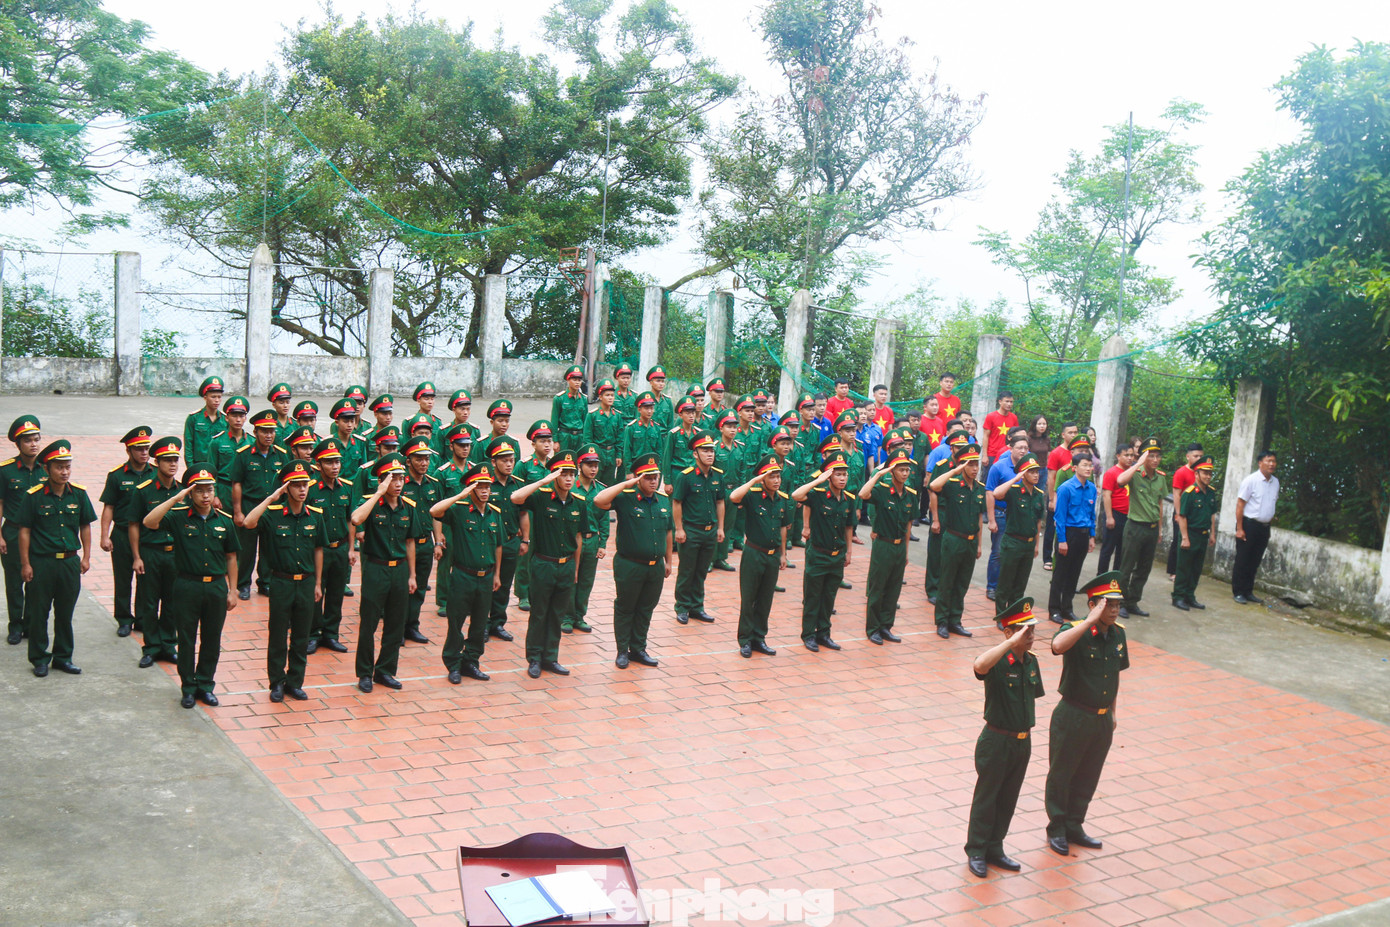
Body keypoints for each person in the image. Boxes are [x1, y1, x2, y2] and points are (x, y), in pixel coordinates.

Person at [140, 465, 239, 708]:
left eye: (209, 490)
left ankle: (205, 684)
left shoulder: (224, 522)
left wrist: (233, 589)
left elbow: (231, 558)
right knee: (186, 639)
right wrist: (176, 498)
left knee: (211, 639)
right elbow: (149, 521)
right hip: (187, 586)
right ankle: (188, 686)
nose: (206, 495)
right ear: (191, 493)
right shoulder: (178, 517)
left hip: (215, 587)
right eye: (199, 491)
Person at [1046, 571, 1129, 857]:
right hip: (1074, 715)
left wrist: (1114, 713)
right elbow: (1057, 646)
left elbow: (1114, 676)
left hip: (1101, 718)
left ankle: (1074, 825)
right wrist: (1090, 621)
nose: (1115, 611)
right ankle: (1056, 828)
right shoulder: (1076, 630)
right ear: (1093, 605)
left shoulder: (1118, 635)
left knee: (1088, 775)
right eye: (1109, 605)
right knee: (1062, 774)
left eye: (1118, 605)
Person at [965, 596, 1043, 878]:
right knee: (987, 797)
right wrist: (1010, 644)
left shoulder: (1031, 662)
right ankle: (976, 850)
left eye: (1032, 630)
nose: (1031, 636)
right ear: (1009, 632)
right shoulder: (998, 660)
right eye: (1025, 630)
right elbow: (979, 666)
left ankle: (995, 848)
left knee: (1008, 797)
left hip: (1022, 741)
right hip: (996, 740)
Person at [243, 460, 324, 702]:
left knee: (301, 636)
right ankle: (276, 682)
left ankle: (295, 681)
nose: (302, 490)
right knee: (278, 635)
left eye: (305, 485)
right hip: (281, 583)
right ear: (286, 488)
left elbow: (319, 550)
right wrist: (272, 497)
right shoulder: (273, 515)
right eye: (296, 485)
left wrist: (319, 583)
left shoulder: (315, 516)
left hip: (307, 582)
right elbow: (248, 522)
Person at [14, 439, 95, 677]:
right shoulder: (34, 496)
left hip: (69, 562)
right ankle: (39, 658)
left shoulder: (78, 494)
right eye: (59, 467)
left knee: (65, 613)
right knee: (39, 612)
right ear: (47, 468)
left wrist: (86, 557)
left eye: (67, 466)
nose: (64, 471)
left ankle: (63, 657)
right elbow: (24, 530)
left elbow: (85, 526)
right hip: (42, 563)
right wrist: (26, 563)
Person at [349, 453, 428, 693]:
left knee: (395, 624)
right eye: (392, 479)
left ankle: (385, 671)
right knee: (369, 624)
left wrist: (412, 575)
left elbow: (411, 542)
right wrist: (378, 493)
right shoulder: (370, 504)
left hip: (400, 570)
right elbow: (355, 518)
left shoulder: (408, 507)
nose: (398, 483)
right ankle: (364, 673)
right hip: (376, 569)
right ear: (382, 480)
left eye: (400, 479)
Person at [594, 453, 673, 669]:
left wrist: (669, 561)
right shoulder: (626, 497)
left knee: (646, 608)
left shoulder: (663, 501)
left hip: (654, 566)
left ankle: (638, 648)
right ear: (638, 479)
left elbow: (668, 532)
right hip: (629, 564)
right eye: (648, 477)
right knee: (625, 607)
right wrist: (626, 483)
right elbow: (599, 500)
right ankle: (622, 650)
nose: (653, 481)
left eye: (656, 477)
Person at [511, 450, 584, 678]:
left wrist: (576, 570)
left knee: (557, 614)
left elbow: (579, 538)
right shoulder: (542, 497)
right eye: (564, 474)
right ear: (555, 476)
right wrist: (543, 480)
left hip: (566, 565)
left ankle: (550, 657)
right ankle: (534, 658)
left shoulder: (578, 503)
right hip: (544, 564)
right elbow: (516, 498)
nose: (569, 479)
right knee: (539, 613)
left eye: (572, 474)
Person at [430, 462, 503, 683]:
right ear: (471, 489)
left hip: (486, 576)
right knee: (456, 623)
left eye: (487, 487)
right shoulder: (459, 511)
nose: (484, 491)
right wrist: (460, 495)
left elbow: (498, 545)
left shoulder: (494, 513)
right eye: (479, 487)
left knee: (480, 624)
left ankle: (471, 662)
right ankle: (453, 663)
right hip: (463, 576)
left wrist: (497, 574)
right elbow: (435, 511)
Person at [128, 436, 187, 669]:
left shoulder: (183, 491)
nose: (172, 465)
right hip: (151, 552)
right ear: (157, 462)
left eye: (175, 460)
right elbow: (133, 524)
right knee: (149, 603)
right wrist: (136, 556)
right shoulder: (143, 491)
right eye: (167, 460)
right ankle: (151, 647)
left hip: (174, 554)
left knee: (172, 602)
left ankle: (168, 645)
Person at [728, 454, 791, 657]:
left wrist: (783, 554)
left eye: (778, 477)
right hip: (754, 553)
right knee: (749, 599)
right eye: (771, 477)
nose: (776, 480)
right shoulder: (753, 495)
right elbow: (733, 497)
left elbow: (783, 528)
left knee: (765, 599)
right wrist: (754, 480)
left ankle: (759, 638)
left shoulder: (783, 499)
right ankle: (745, 640)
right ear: (763, 478)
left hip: (773, 556)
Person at [793, 450, 854, 652]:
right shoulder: (818, 496)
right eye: (837, 474)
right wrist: (818, 480)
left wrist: (849, 552)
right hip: (818, 555)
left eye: (844, 474)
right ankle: (809, 634)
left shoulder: (849, 498)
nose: (842, 478)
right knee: (813, 597)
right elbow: (796, 495)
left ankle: (824, 634)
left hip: (837, 556)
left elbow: (848, 527)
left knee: (829, 598)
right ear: (829, 476)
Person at [229, 410, 290, 599]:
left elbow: (287, 483)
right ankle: (243, 584)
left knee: (269, 547)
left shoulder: (281, 455)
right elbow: (236, 483)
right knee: (246, 549)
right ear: (255, 432)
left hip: (272, 510)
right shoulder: (244, 455)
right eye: (264, 431)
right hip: (250, 506)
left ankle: (265, 582)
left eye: (272, 431)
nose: (269, 435)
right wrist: (238, 512)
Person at [99, 426, 152, 637]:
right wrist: (105, 535)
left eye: (147, 448)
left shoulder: (156, 472)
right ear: (129, 451)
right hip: (121, 534)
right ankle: (123, 619)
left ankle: (141, 619)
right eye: (139, 449)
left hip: (147, 535)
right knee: (122, 579)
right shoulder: (116, 476)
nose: (144, 453)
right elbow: (109, 507)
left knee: (146, 580)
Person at [859, 448, 915, 644]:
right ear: (892, 471)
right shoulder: (882, 490)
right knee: (878, 588)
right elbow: (863, 494)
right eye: (901, 470)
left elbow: (908, 525)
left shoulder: (910, 494)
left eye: (907, 470)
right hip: (883, 544)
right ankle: (873, 628)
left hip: (900, 547)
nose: (905, 473)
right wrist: (879, 474)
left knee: (893, 589)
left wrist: (906, 551)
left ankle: (886, 626)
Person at [929, 441, 984, 639]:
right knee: (947, 581)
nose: (975, 468)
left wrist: (979, 544)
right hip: (953, 539)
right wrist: (955, 471)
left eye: (976, 464)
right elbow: (933, 486)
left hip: (970, 541)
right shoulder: (952, 485)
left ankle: (955, 620)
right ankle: (942, 621)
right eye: (970, 464)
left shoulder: (979, 489)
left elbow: (979, 517)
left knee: (962, 583)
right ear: (962, 465)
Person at [306, 438, 355, 655]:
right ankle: (313, 634)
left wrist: (351, 549)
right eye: (329, 462)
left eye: (337, 462)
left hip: (341, 548)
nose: (335, 467)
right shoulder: (310, 490)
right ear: (318, 465)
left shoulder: (347, 488)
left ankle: (331, 634)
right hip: (319, 550)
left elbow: (349, 521)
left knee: (336, 593)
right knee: (316, 593)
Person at [672, 431, 725, 625]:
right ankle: (683, 607)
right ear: (695, 454)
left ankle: (697, 606)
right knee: (687, 570)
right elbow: (676, 503)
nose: (710, 454)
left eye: (712, 450)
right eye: (705, 450)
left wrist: (720, 528)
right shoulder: (685, 477)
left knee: (701, 570)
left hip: (710, 531)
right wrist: (679, 528)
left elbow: (720, 502)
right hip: (691, 530)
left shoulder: (717, 476)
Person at [1, 415, 45, 645]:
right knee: (14, 581)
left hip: (39, 535)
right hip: (13, 531)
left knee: (36, 581)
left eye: (36, 439)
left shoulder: (47, 469)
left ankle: (31, 624)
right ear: (18, 444)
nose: (33, 444)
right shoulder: (6, 470)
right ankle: (16, 625)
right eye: (27, 440)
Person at [1115, 437, 1167, 618]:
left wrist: (1160, 530)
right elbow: (1120, 480)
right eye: (1151, 456)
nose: (1155, 460)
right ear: (1144, 456)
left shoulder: (1161, 478)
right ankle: (1120, 601)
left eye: (1157, 456)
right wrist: (1138, 464)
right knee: (1126, 567)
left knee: (1144, 568)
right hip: (1135, 527)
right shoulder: (1135, 474)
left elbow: (1159, 505)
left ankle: (1132, 601)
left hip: (1151, 529)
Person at [400, 435, 445, 645]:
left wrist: (437, 542)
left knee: (419, 587)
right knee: (401, 587)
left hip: (425, 544)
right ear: (408, 461)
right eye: (419, 459)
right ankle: (397, 628)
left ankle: (412, 626)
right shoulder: (400, 483)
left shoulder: (433, 484)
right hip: (402, 544)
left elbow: (436, 514)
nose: (424, 463)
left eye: (426, 458)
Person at [991, 453, 1046, 618]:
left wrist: (1037, 545)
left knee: (1020, 583)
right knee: (1006, 582)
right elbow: (996, 494)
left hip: (1028, 545)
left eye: (1037, 471)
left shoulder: (1038, 494)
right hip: (1013, 542)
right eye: (1031, 471)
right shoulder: (1014, 490)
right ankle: (1001, 616)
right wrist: (1015, 479)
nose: (1036, 475)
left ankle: (1014, 614)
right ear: (1023, 473)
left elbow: (1037, 522)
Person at [564, 444, 609, 634]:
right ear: (579, 465)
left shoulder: (601, 490)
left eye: (596, 465)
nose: (593, 469)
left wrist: (603, 543)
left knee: (585, 580)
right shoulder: (570, 486)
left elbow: (604, 517)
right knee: (570, 578)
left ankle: (579, 616)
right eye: (589, 465)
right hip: (572, 541)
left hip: (591, 540)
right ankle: (566, 617)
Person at [1048, 452, 1097, 623]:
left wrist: (1092, 536)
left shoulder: (1091, 488)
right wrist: (1062, 540)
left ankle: (1067, 608)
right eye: (1085, 465)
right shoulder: (1066, 488)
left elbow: (1092, 515)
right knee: (1060, 573)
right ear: (1075, 468)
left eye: (1090, 465)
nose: (1089, 468)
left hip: (1083, 535)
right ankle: (1054, 609)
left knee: (1074, 573)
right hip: (1068, 534)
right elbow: (1059, 517)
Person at [483, 438, 523, 642]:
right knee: (485, 585)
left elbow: (523, 513)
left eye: (512, 460)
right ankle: (481, 624)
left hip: (509, 542)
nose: (509, 464)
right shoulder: (485, 484)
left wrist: (525, 540)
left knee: (505, 585)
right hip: (487, 544)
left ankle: (497, 623)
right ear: (493, 462)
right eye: (504, 460)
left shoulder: (518, 485)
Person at [924, 427, 969, 604]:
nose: (961, 450)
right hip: (942, 513)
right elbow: (933, 491)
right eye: (958, 447)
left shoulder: (968, 466)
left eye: (964, 447)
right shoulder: (942, 467)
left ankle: (947, 588)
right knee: (936, 552)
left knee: (953, 554)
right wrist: (935, 519)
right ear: (951, 448)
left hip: (959, 517)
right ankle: (933, 589)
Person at [984, 431, 1030, 600]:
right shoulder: (999, 467)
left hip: (1020, 516)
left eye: (1026, 448)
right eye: (1020, 448)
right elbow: (989, 493)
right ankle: (992, 587)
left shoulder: (1029, 468)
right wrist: (991, 519)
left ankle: (1008, 586)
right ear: (1011, 448)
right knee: (998, 552)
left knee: (1015, 553)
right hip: (1001, 513)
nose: (1023, 451)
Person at [1232, 450, 1280, 605]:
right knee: (1243, 559)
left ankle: (1248, 591)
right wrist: (1239, 528)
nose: (1272, 464)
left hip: (1264, 527)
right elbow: (1240, 504)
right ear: (1260, 462)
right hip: (1249, 525)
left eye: (1274, 461)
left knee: (1255, 560)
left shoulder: (1275, 482)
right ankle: (1238, 591)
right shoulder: (1251, 480)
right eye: (1268, 460)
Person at [1173, 454, 1220, 611]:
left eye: (1210, 473)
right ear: (1196, 474)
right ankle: (1178, 596)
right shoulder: (1189, 493)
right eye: (1205, 473)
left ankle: (1190, 595)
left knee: (1196, 568)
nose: (1208, 476)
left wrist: (1212, 534)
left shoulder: (1211, 493)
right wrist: (1185, 538)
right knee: (1184, 567)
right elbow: (1182, 516)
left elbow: (1212, 514)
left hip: (1203, 535)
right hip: (1190, 533)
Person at [1044, 422, 1079, 570]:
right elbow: (1051, 477)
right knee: (1052, 527)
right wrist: (1052, 498)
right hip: (1057, 496)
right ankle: (1047, 558)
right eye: (1070, 432)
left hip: (1073, 499)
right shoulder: (1056, 453)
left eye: (1076, 432)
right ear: (1063, 435)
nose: (1073, 435)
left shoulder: (1079, 453)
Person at [207, 396, 252, 513]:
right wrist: (215, 495)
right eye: (234, 416)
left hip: (245, 490)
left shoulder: (252, 442)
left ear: (245, 418)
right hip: (224, 490)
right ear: (227, 418)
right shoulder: (217, 442)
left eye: (241, 416)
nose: (238, 420)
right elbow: (211, 471)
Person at [1166, 442, 1204, 579]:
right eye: (1195, 456)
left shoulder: (1202, 473)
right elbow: (1176, 495)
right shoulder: (1181, 472)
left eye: (1201, 456)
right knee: (1178, 540)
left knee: (1193, 542)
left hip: (1195, 515)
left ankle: (1187, 571)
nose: (1198, 458)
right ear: (1188, 456)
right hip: (1181, 512)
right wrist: (1178, 513)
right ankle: (1173, 571)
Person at [1098, 444, 1136, 573]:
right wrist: (1109, 517)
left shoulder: (1133, 472)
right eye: (1126, 455)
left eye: (1132, 455)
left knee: (1123, 550)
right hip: (1115, 514)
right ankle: (1101, 578)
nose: (1130, 458)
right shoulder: (1111, 473)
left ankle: (1116, 579)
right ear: (1118, 456)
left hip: (1129, 516)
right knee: (1108, 549)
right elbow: (1106, 495)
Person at [583, 378, 624, 485]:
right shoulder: (592, 415)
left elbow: (620, 437)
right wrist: (591, 455)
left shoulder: (617, 416)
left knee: (609, 484)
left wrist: (619, 455)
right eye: (607, 395)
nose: (610, 398)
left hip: (611, 453)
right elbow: (587, 438)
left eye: (612, 395)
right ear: (600, 397)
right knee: (594, 481)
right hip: (597, 452)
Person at [184, 376, 227, 466]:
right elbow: (188, 446)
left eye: (219, 397)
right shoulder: (194, 418)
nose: (217, 400)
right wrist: (191, 468)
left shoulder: (225, 420)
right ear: (205, 397)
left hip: (219, 466)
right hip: (199, 464)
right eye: (213, 397)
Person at [620, 392, 663, 477]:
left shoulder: (656, 428)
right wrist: (628, 471)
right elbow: (627, 451)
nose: (649, 411)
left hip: (651, 467)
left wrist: (658, 468)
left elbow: (659, 451)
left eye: (651, 408)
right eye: (646, 408)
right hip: (636, 468)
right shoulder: (631, 428)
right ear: (639, 409)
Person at [552, 365, 589, 448]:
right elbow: (554, 421)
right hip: (564, 436)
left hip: (579, 437)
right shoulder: (559, 398)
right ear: (568, 380)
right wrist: (555, 441)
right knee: (562, 460)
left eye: (579, 380)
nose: (577, 382)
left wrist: (586, 440)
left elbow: (586, 421)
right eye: (574, 379)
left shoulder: (583, 399)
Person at [982, 391, 1019, 466]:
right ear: (1000, 402)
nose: (1009, 404)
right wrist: (984, 455)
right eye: (1007, 401)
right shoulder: (991, 416)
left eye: (1011, 402)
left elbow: (1017, 437)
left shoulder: (1014, 418)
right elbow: (985, 436)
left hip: (1008, 454)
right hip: (992, 455)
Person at [647, 365, 674, 431]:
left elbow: (670, 424)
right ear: (651, 382)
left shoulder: (667, 401)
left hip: (663, 437)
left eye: (662, 381)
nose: (661, 384)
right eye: (658, 381)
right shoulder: (645, 400)